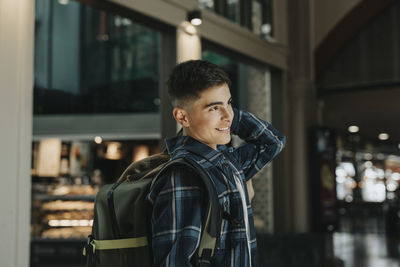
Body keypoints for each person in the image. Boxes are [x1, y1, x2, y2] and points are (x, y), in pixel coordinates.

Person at [147, 60, 286, 267]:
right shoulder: (185, 175)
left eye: (229, 103)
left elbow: (273, 141)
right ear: (182, 116)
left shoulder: (227, 161)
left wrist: (229, 117)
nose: (227, 115)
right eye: (213, 108)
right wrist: (225, 117)